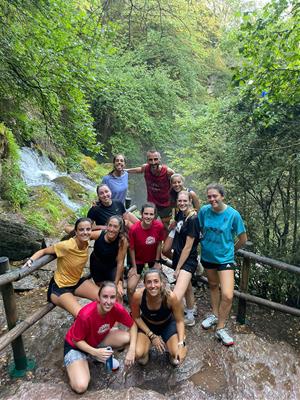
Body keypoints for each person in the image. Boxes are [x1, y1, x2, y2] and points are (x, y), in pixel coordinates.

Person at [64, 281, 137, 394]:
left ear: (116, 298)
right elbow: (76, 340)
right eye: (105, 297)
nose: (108, 302)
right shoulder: (85, 315)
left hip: (96, 340)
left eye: (112, 297)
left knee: (127, 338)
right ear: (98, 297)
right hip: (76, 346)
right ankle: (80, 363)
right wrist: (95, 352)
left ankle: (96, 357)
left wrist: (132, 350)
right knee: (80, 386)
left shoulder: (117, 309)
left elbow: (133, 325)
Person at [198, 183, 247, 346]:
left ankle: (221, 327)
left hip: (225, 258)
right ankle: (214, 314)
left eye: (215, 196)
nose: (212, 199)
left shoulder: (233, 215)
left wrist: (232, 250)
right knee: (213, 286)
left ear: (222, 196)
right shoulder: (204, 211)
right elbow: (198, 228)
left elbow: (243, 239)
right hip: (207, 255)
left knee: (227, 294)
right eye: (209, 196)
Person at [23, 218, 100, 318]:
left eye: (88, 229)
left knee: (104, 299)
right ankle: (84, 329)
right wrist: (31, 260)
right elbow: (43, 251)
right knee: (83, 316)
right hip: (60, 287)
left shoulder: (87, 241)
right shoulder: (66, 246)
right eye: (81, 230)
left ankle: (103, 326)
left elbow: (106, 233)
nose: (85, 232)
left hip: (76, 281)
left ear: (91, 230)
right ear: (76, 232)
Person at [131, 269, 186, 366]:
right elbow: (136, 317)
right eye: (149, 282)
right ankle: (146, 348)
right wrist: (152, 336)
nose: (153, 286)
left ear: (161, 283)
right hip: (147, 324)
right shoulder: (138, 296)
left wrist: (181, 343)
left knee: (176, 359)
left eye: (156, 281)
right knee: (140, 357)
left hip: (167, 324)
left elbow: (180, 321)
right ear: (144, 284)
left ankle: (171, 349)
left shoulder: (170, 297)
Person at [163, 191, 200, 327]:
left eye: (185, 201)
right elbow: (177, 231)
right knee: (188, 288)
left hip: (187, 260)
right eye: (180, 201)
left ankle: (171, 322)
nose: (182, 203)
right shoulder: (180, 214)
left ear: (190, 200)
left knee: (176, 296)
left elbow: (188, 247)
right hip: (179, 257)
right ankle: (190, 315)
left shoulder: (193, 219)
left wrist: (178, 268)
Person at [127, 150, 174, 230]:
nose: (153, 162)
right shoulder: (145, 168)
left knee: (166, 226)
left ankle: (164, 241)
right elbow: (139, 170)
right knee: (147, 224)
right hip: (152, 203)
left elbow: (176, 184)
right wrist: (125, 171)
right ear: (147, 160)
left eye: (155, 159)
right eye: (150, 160)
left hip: (165, 204)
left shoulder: (168, 172)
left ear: (160, 159)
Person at [127, 202, 165, 300]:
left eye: (151, 214)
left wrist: (157, 262)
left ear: (155, 215)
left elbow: (159, 243)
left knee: (160, 285)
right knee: (130, 288)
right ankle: (134, 311)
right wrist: (134, 267)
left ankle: (157, 305)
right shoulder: (134, 229)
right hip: (138, 259)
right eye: (146, 214)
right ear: (141, 214)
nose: (148, 217)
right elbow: (131, 248)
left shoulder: (159, 226)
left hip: (153, 258)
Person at [90, 215, 128, 300]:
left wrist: (116, 283)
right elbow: (84, 236)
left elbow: (120, 262)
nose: (111, 229)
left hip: (112, 267)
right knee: (103, 290)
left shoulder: (122, 240)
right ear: (107, 225)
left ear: (120, 229)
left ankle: (118, 311)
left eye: (115, 227)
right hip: (97, 265)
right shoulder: (99, 234)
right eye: (110, 225)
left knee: (117, 293)